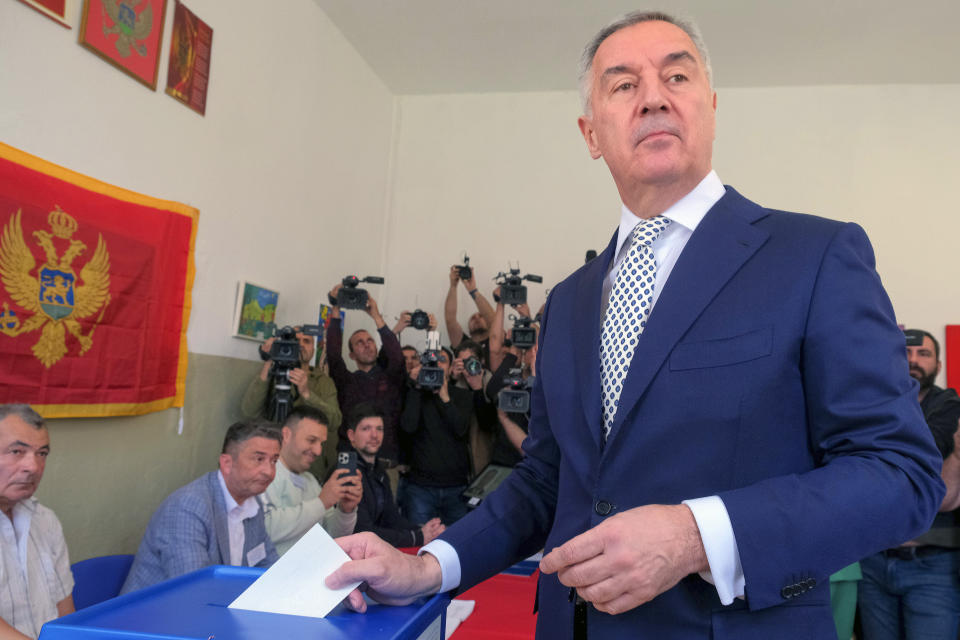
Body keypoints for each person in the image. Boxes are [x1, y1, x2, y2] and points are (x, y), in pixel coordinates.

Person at [326, 11, 944, 639]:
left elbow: (900, 472)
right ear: (591, 133)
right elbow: (546, 480)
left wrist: (695, 536)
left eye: (677, 75)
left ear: (709, 105)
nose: (653, 96)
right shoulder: (568, 302)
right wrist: (427, 566)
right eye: (623, 85)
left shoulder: (813, 257)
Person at [858, 329, 960, 640]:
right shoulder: (868, 404)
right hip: (873, 561)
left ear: (938, 366)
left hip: (932, 565)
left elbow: (942, 496)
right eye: (906, 352)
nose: (913, 360)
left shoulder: (951, 407)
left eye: (923, 354)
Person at [121, 421, 281, 594]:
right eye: (259, 459)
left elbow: (268, 568)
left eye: (274, 461)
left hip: (212, 608)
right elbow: (193, 591)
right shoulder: (188, 508)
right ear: (227, 463)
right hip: (154, 616)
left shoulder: (252, 503)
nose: (269, 471)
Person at [0, 404, 74, 640]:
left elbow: (66, 614)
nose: (33, 467)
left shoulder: (46, 520)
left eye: (41, 453)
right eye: (16, 452)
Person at [239, 327, 342, 479]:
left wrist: (307, 393)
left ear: (313, 349)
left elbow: (334, 421)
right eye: (296, 341)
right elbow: (248, 411)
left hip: (309, 467)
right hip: (273, 462)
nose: (300, 345)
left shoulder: (323, 382)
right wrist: (269, 360)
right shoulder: (274, 375)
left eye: (306, 341)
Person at [264, 407, 362, 555]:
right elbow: (265, 529)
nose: (318, 451)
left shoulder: (310, 481)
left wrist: (345, 510)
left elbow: (333, 538)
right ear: (286, 435)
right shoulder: (264, 474)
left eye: (321, 443)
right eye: (311, 440)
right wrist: (321, 503)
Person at [326, 286, 406, 466]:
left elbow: (396, 355)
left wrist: (376, 317)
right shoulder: (346, 381)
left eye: (370, 341)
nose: (367, 345)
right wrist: (336, 308)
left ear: (377, 349)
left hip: (385, 458)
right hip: (350, 458)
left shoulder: (391, 377)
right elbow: (333, 354)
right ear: (352, 355)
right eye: (359, 343)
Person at [346, 404, 445, 548]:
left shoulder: (379, 471)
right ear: (351, 435)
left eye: (379, 429)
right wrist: (416, 537)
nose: (374, 435)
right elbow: (362, 532)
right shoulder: (346, 473)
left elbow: (391, 518)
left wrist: (423, 531)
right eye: (366, 429)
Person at [400, 346, 473, 526]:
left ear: (450, 368)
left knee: (459, 547)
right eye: (432, 361)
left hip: (456, 487)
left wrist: (445, 397)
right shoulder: (414, 393)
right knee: (417, 548)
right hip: (420, 488)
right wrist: (416, 388)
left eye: (442, 360)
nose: (437, 364)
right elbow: (408, 427)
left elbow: (461, 430)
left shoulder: (462, 396)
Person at [444, 264, 495, 363]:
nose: (476, 318)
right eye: (472, 318)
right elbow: (450, 320)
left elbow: (493, 319)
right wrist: (453, 286)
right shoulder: (463, 344)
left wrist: (473, 290)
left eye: (480, 316)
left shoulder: (495, 340)